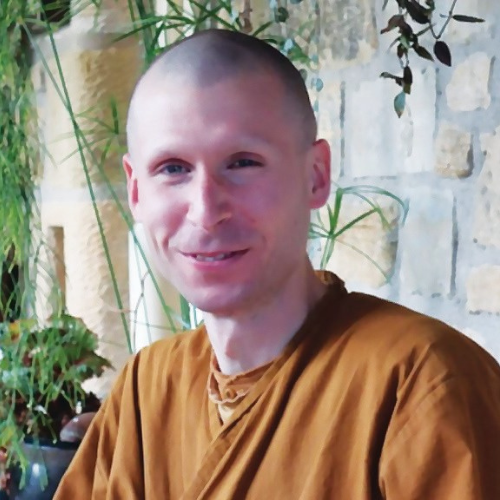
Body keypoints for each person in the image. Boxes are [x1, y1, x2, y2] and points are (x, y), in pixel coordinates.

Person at [54, 29, 500, 499]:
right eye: (173, 168)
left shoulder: (420, 381)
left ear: (316, 176)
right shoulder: (146, 390)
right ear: (136, 191)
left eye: (242, 163)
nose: (206, 210)